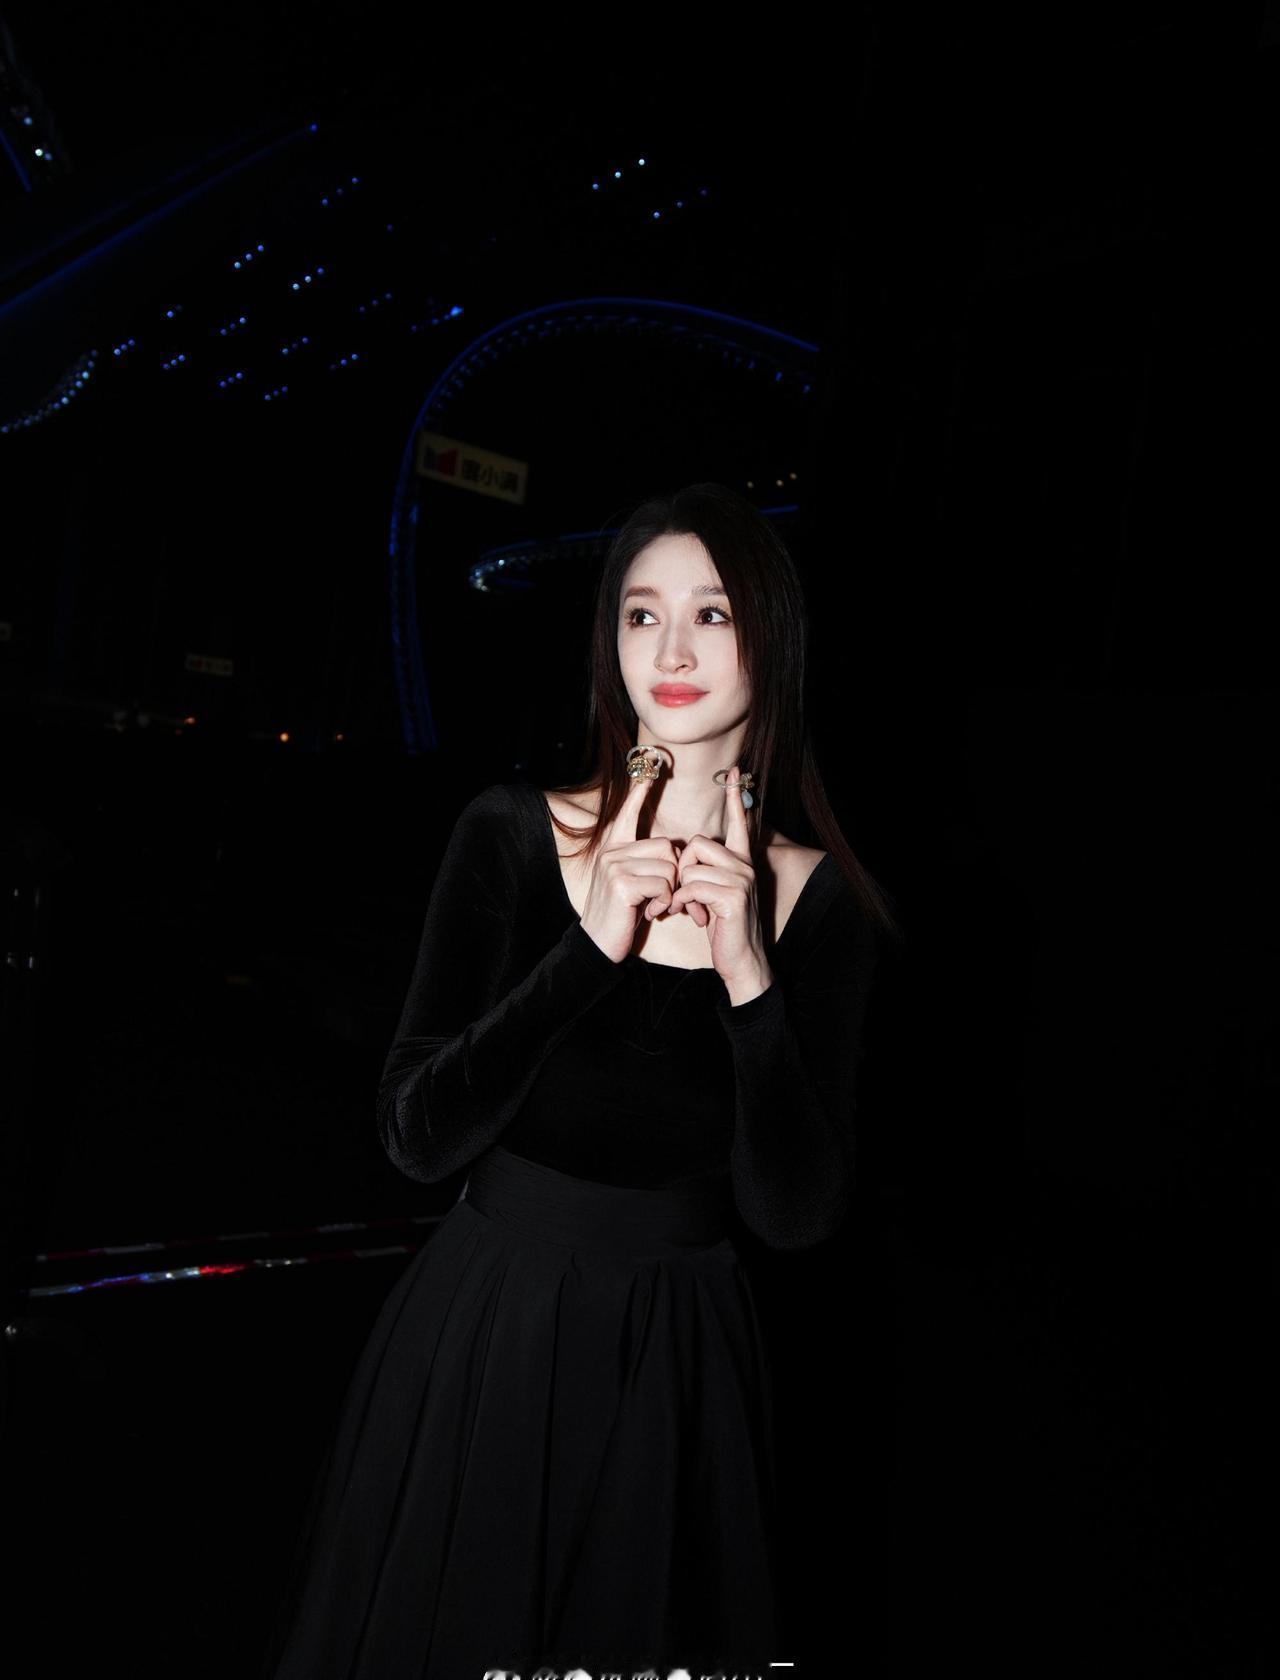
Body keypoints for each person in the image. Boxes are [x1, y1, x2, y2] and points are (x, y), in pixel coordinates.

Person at [259, 482, 900, 1678]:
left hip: (677, 1360)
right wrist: (585, 949)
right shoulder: (512, 833)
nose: (670, 650)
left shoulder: (823, 904)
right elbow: (413, 1135)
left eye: (711, 613)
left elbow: (794, 1215)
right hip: (488, 1327)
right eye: (640, 613)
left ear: (772, 633)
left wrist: (749, 979)